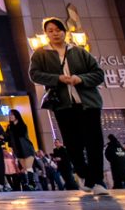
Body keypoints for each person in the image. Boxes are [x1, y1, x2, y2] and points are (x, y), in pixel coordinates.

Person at [29, 18, 108, 194]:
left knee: (94, 142)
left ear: (65, 31)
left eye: (58, 29)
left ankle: (98, 181)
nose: (55, 33)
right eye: (50, 30)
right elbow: (35, 75)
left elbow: (98, 74)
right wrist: (57, 79)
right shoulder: (41, 54)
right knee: (73, 144)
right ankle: (84, 173)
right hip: (63, 106)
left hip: (88, 104)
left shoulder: (79, 52)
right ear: (46, 34)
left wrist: (81, 79)